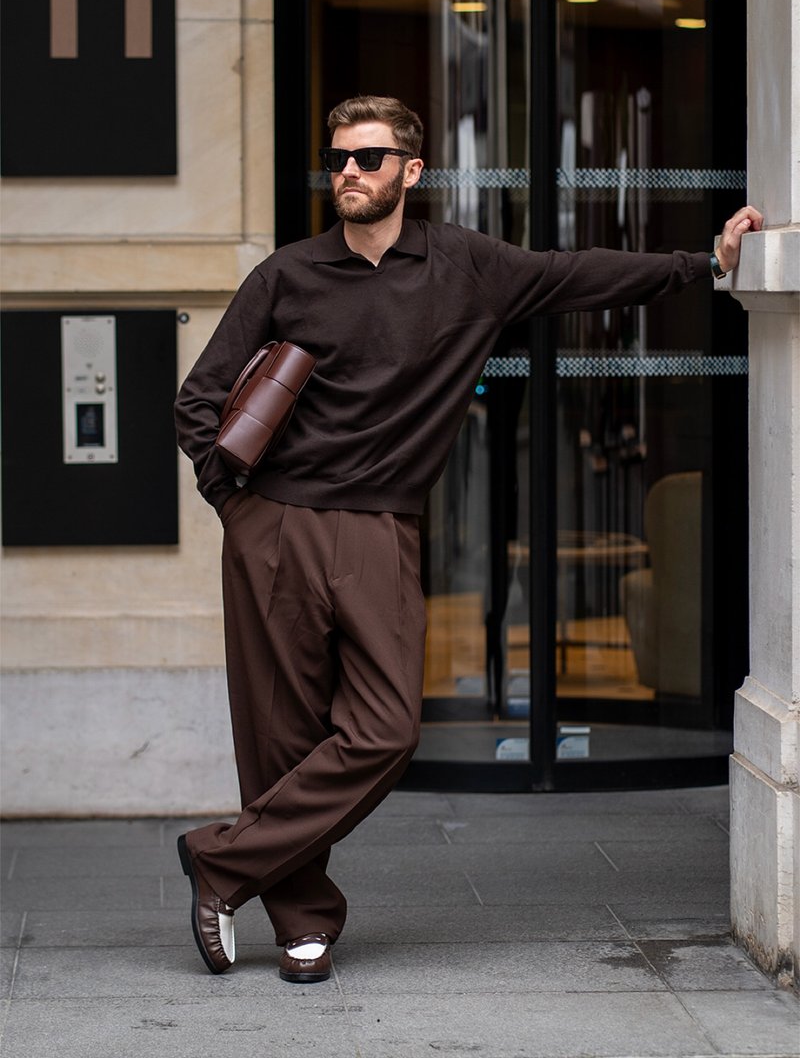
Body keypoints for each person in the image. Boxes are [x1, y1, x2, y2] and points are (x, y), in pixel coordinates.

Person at [174, 94, 763, 984]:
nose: (347, 175)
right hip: (276, 526)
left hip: (380, 527)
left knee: (384, 731)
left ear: (411, 171)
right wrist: (242, 508)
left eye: (368, 160)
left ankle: (220, 861)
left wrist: (703, 265)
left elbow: (579, 274)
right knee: (279, 733)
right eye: (336, 159)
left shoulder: (465, 266)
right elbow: (200, 399)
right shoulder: (286, 276)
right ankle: (302, 919)